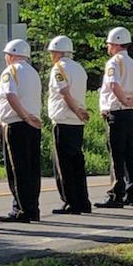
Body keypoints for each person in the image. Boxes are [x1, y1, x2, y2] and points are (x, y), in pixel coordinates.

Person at [0, 38, 42, 223]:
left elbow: (10, 95)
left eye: (7, 55)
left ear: (12, 55)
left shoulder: (11, 70)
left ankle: (21, 209)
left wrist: (24, 115)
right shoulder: (33, 72)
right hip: (32, 125)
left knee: (17, 169)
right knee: (31, 168)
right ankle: (32, 207)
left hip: (17, 123)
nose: (6, 58)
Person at [95, 26, 133, 209]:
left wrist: (121, 100)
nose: (108, 46)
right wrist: (129, 101)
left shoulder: (114, 63)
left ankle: (116, 193)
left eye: (109, 43)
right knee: (130, 153)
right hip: (130, 113)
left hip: (117, 112)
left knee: (116, 155)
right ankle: (132, 192)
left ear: (115, 43)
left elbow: (113, 85)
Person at [46, 35, 92, 215]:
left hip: (65, 118)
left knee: (64, 165)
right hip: (76, 122)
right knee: (77, 163)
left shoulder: (59, 68)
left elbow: (64, 93)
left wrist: (76, 111)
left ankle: (70, 201)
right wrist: (80, 112)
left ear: (58, 52)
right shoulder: (79, 68)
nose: (51, 56)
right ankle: (83, 200)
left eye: (52, 52)